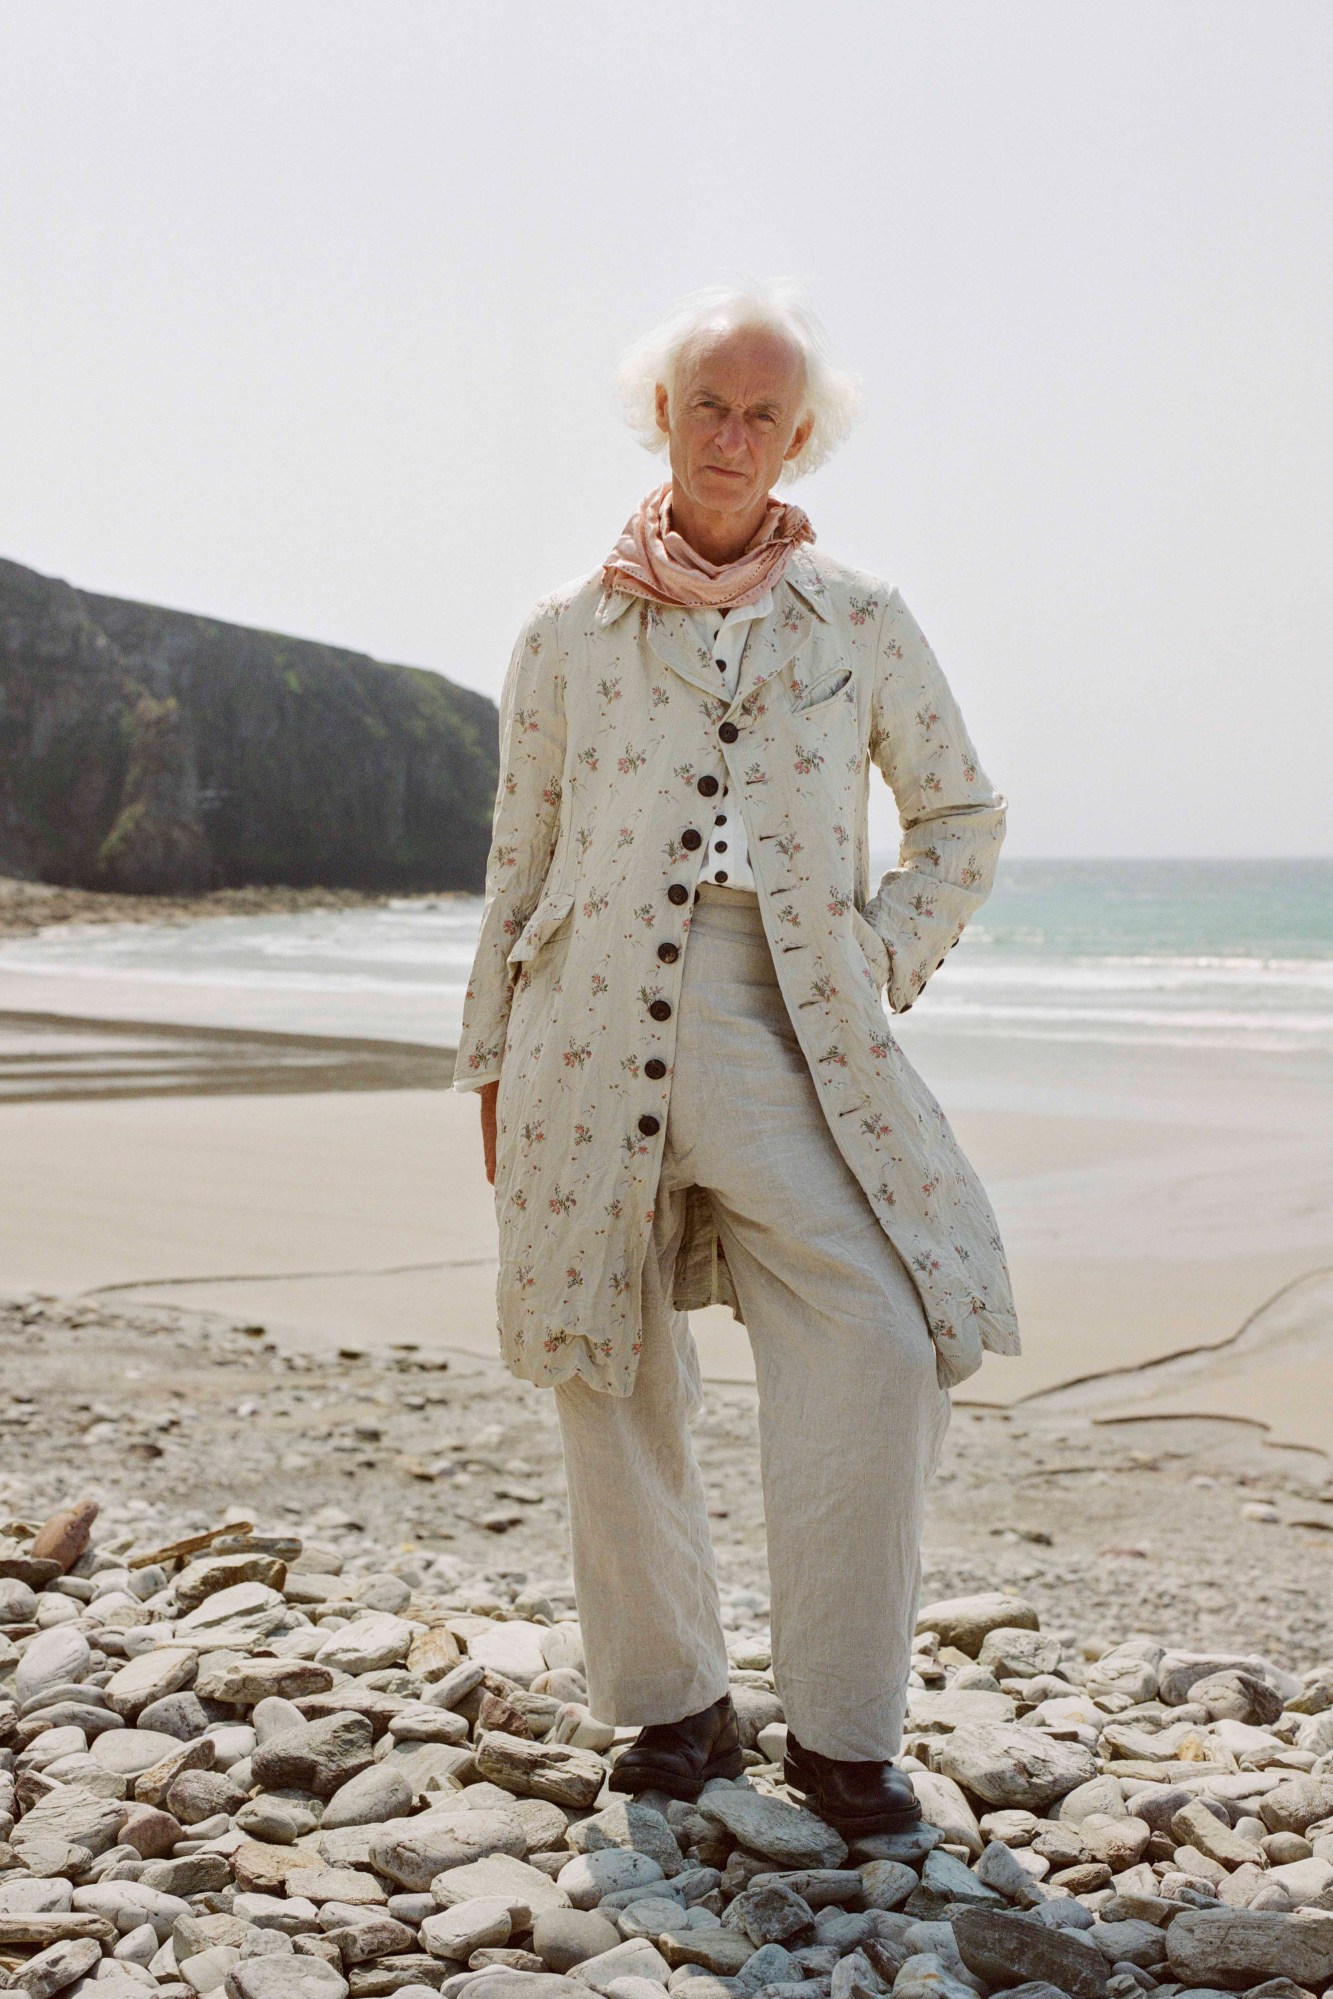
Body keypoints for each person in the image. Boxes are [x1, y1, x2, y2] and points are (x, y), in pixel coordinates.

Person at [455, 281, 1020, 1833]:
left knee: (878, 1334)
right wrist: (491, 1066)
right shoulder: (564, 632)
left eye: (762, 413)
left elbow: (959, 816)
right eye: (707, 403)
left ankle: (841, 1732)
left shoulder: (861, 621)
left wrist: (873, 959)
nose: (731, 434)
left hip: (789, 1025)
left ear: (798, 437)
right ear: (663, 413)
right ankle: (673, 1707)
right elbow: (519, 863)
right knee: (607, 1362)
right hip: (579, 1022)